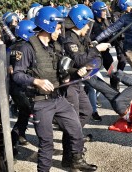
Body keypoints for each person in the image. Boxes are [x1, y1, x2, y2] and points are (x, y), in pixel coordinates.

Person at [12, 6, 97, 171]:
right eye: (58, 27)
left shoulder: (55, 46)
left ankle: (76, 159)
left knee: (76, 130)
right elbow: (17, 74)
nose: (61, 30)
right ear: (49, 25)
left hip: (59, 99)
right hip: (40, 102)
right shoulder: (27, 47)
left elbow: (62, 68)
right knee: (47, 144)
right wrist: (36, 81)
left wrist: (74, 71)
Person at [59, 4, 110, 168]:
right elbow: (79, 59)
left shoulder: (79, 38)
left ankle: (71, 149)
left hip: (77, 82)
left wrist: (93, 49)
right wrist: (96, 49)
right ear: (79, 22)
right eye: (87, 23)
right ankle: (75, 158)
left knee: (86, 111)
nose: (88, 27)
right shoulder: (69, 39)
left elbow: (85, 58)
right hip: (69, 84)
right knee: (73, 122)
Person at [9, 20, 37, 152]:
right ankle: (13, 141)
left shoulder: (12, 46)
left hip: (15, 86)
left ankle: (20, 135)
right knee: (27, 110)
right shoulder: (24, 47)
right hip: (21, 86)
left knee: (25, 112)